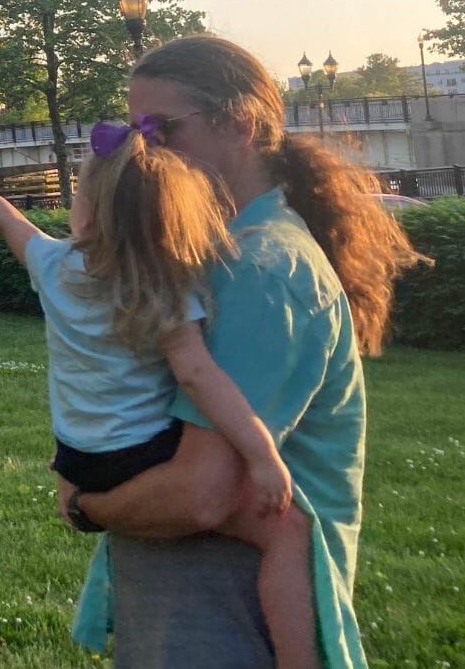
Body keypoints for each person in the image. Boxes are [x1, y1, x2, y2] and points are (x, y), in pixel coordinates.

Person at [57, 35, 428, 668]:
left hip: (230, 620)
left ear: (241, 124)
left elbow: (202, 492)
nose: (142, 151)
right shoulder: (214, 256)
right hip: (196, 605)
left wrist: (85, 505)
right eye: (134, 131)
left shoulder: (262, 270)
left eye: (161, 129)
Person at [0, 120, 317, 669]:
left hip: (77, 457)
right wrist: (261, 455)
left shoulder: (54, 266)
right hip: (142, 457)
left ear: (84, 205)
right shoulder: (165, 282)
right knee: (288, 531)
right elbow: (198, 376)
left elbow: (8, 221)